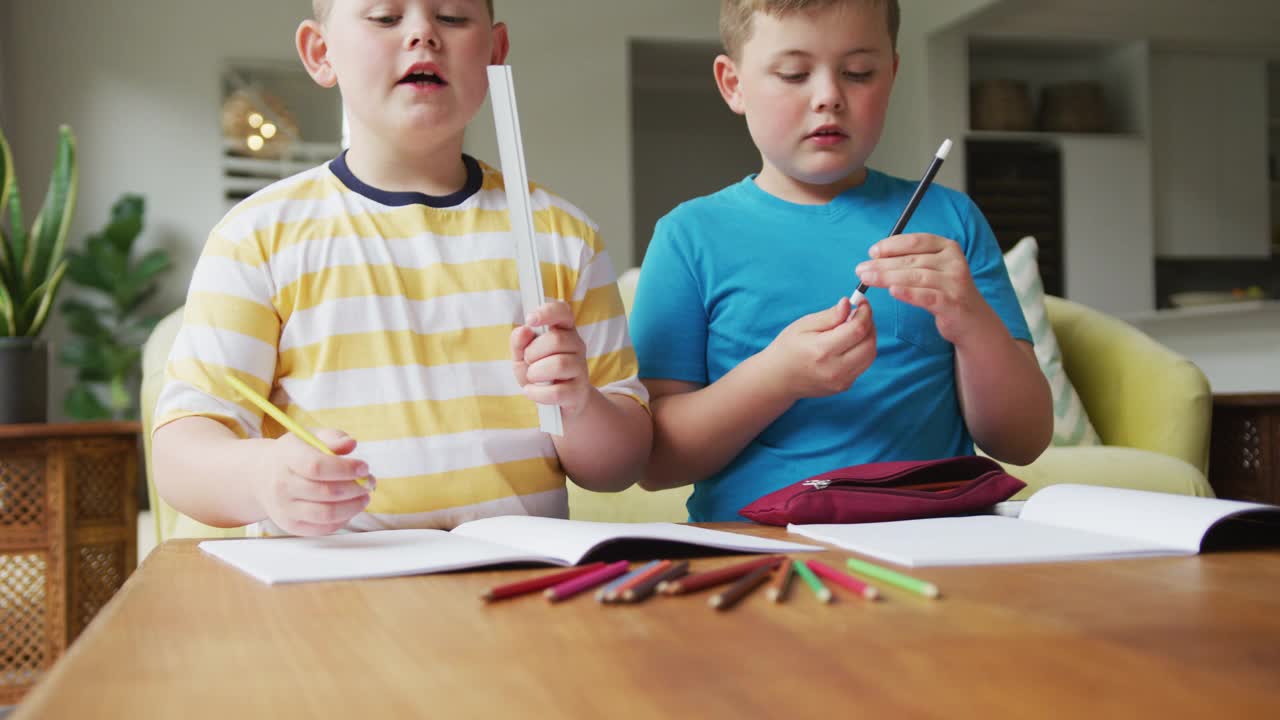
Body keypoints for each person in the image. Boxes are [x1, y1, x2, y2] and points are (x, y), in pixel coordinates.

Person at [152, 0, 650, 537]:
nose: (422, 34)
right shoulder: (256, 236)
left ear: (495, 53)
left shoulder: (563, 237)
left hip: (515, 589)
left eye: (453, 17)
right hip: (330, 595)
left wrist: (578, 405)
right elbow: (182, 450)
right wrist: (261, 477)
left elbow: (619, 467)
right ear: (321, 53)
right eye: (386, 17)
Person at [628, 0, 1052, 521]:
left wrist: (972, 322)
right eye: (794, 74)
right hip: (756, 548)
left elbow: (1023, 439)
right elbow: (654, 461)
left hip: (936, 537)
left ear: (892, 74)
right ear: (733, 83)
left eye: (858, 72)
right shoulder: (688, 237)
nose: (829, 97)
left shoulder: (951, 218)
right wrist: (778, 377)